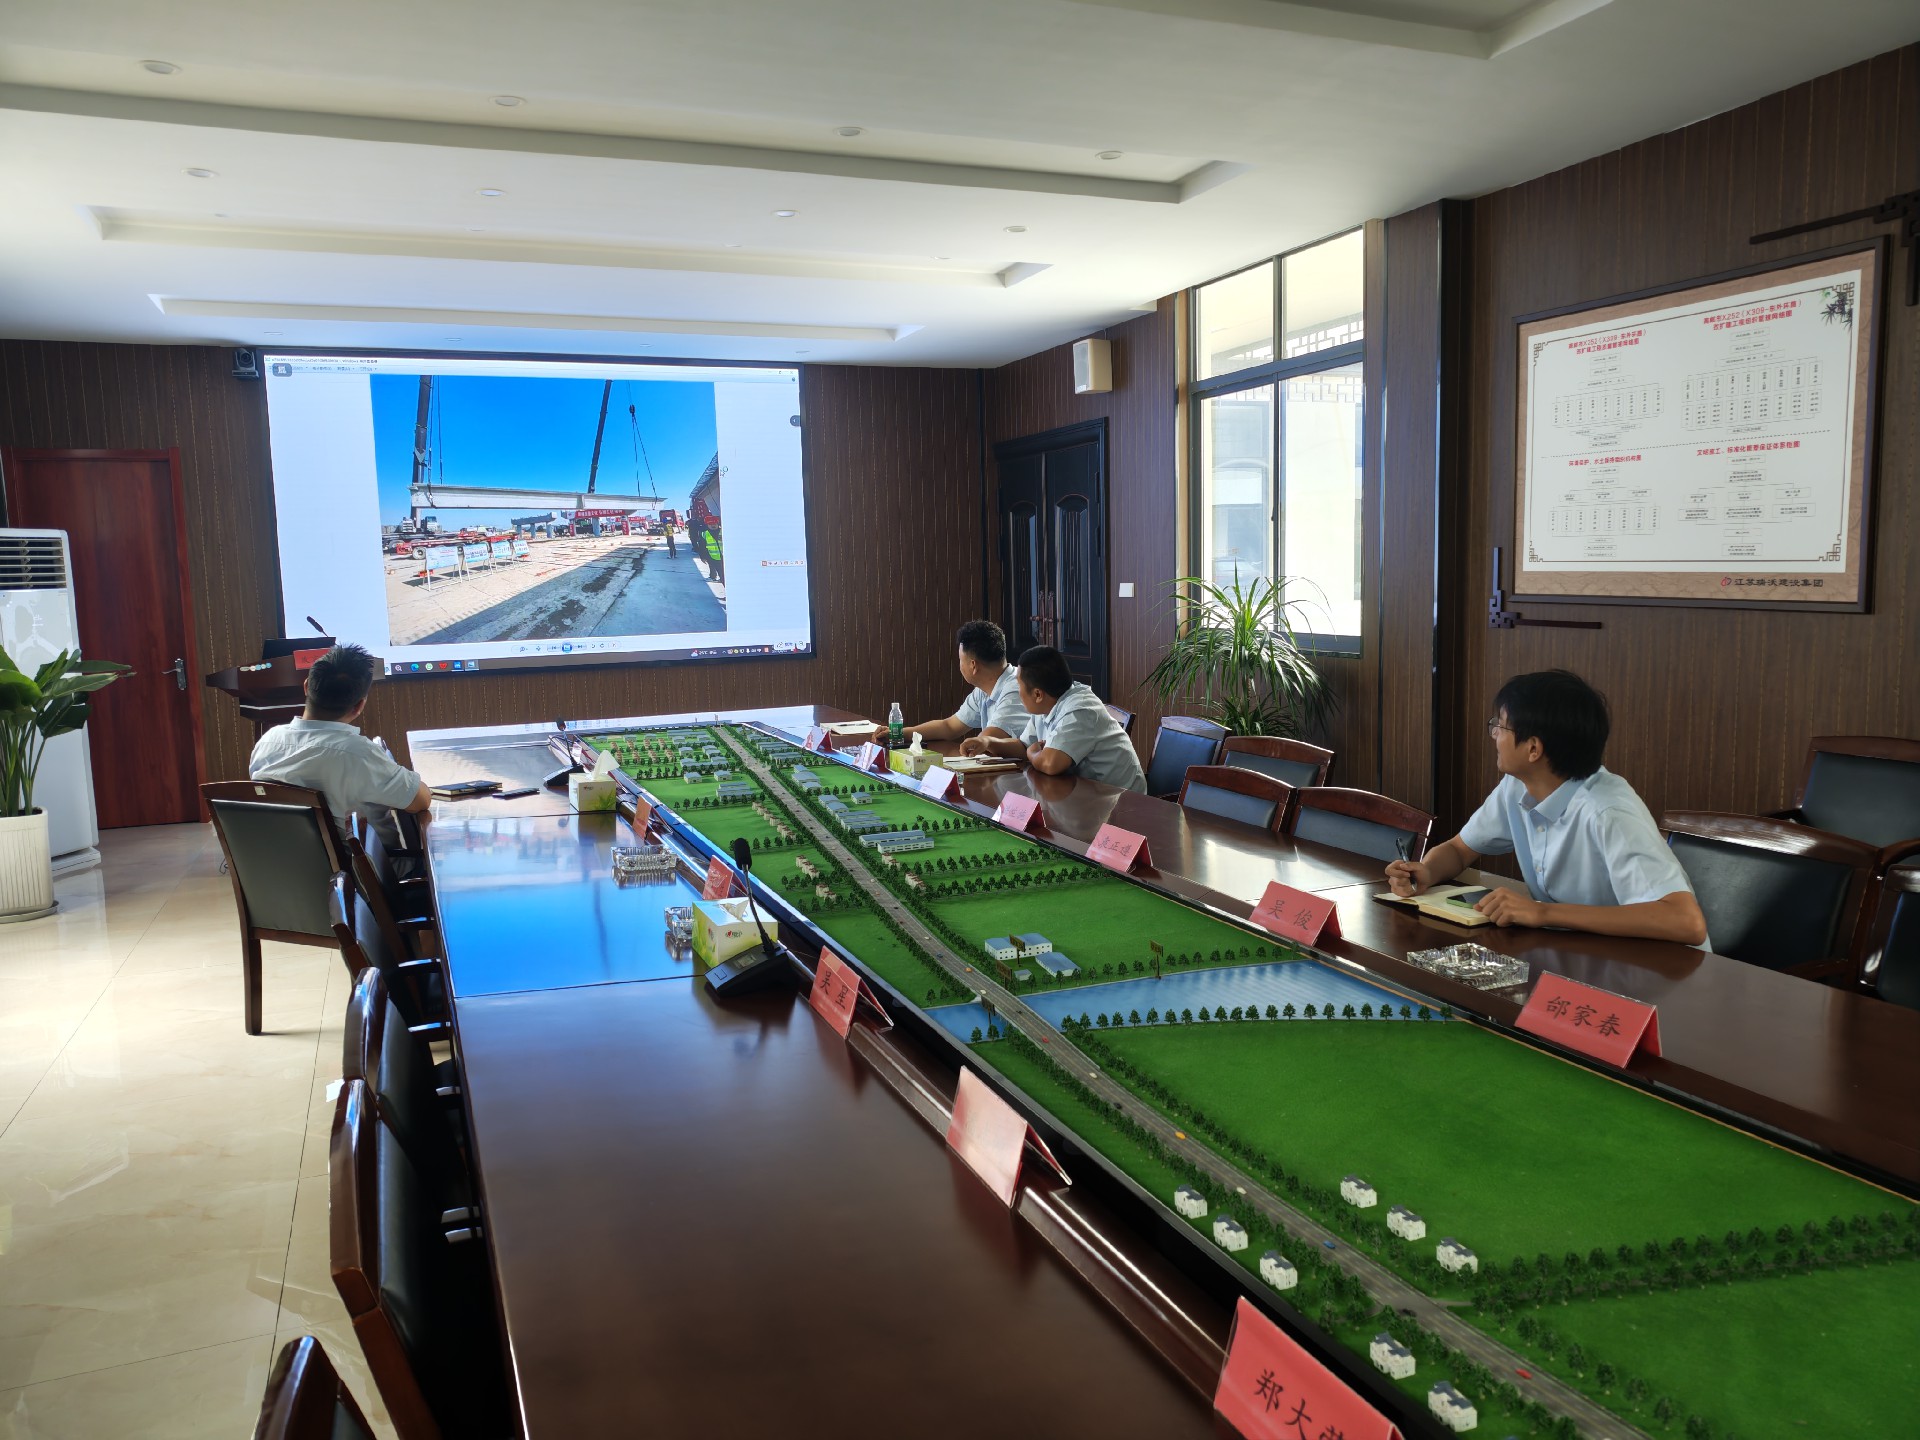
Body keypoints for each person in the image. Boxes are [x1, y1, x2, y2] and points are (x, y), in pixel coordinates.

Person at [1385, 669, 1708, 946]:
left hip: (1658, 974)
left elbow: (1685, 922)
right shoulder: (1517, 786)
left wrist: (1542, 912)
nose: (1494, 735)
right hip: (1583, 954)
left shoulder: (1607, 812)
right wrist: (1427, 872)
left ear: (1533, 748)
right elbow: (1459, 849)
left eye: (1501, 726)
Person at [249, 643, 432, 860]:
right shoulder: (358, 754)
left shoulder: (268, 742)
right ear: (359, 706)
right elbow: (420, 800)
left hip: (289, 868)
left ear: (306, 687)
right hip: (369, 874)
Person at [961, 645, 1146, 793]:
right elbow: (1023, 746)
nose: (1018, 692)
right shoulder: (1047, 703)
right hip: (1085, 794)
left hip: (1123, 802)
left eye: (1019, 685)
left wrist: (1033, 753)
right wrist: (988, 742)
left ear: (1038, 694)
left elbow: (1051, 764)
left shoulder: (1080, 709)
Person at [900, 620, 1026, 743]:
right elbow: (949, 727)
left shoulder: (1016, 689)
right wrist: (896, 734)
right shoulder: (983, 690)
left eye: (960, 659)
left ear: (973, 666)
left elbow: (986, 740)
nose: (959, 665)